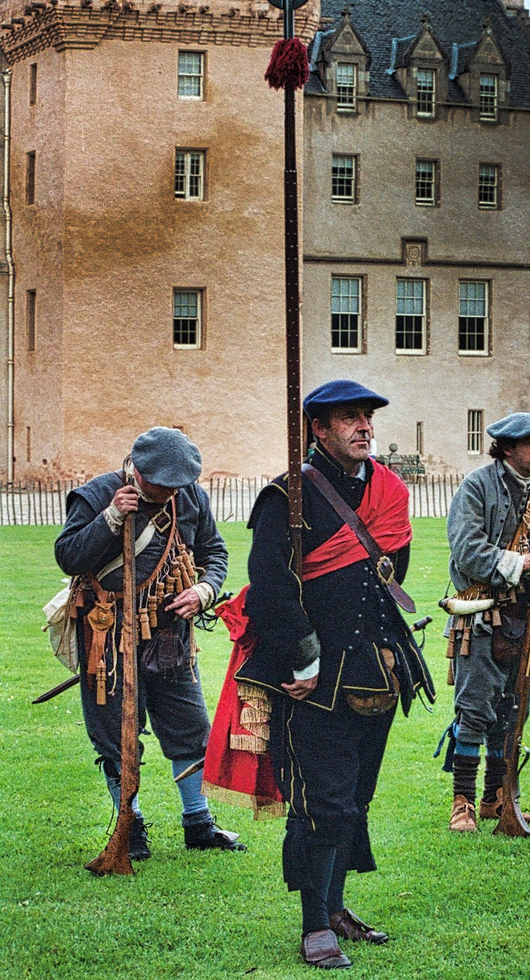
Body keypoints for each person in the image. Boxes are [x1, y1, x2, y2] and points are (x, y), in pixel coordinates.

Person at [236, 380, 435, 969]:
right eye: (350, 419)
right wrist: (304, 654)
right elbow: (270, 586)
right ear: (318, 430)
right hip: (312, 674)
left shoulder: (390, 492)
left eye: (367, 418)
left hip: (374, 668)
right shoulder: (286, 496)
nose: (364, 428)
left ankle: (337, 907)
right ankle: (313, 927)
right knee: (322, 802)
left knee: (356, 797)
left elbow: (390, 568)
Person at [55, 427, 243, 858]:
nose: (172, 492)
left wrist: (204, 591)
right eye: (163, 484)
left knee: (190, 729)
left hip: (170, 637)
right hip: (108, 636)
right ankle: (130, 825)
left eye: (179, 484)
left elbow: (214, 552)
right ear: (137, 471)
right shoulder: (97, 494)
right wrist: (110, 519)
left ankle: (198, 822)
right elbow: (68, 556)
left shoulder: (189, 496)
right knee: (116, 736)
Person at [444, 412, 530, 832]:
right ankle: (462, 803)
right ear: (507, 448)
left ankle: (496, 800)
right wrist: (523, 560)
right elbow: (466, 550)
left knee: (512, 711)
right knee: (474, 711)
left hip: (526, 620)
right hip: (480, 615)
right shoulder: (476, 487)